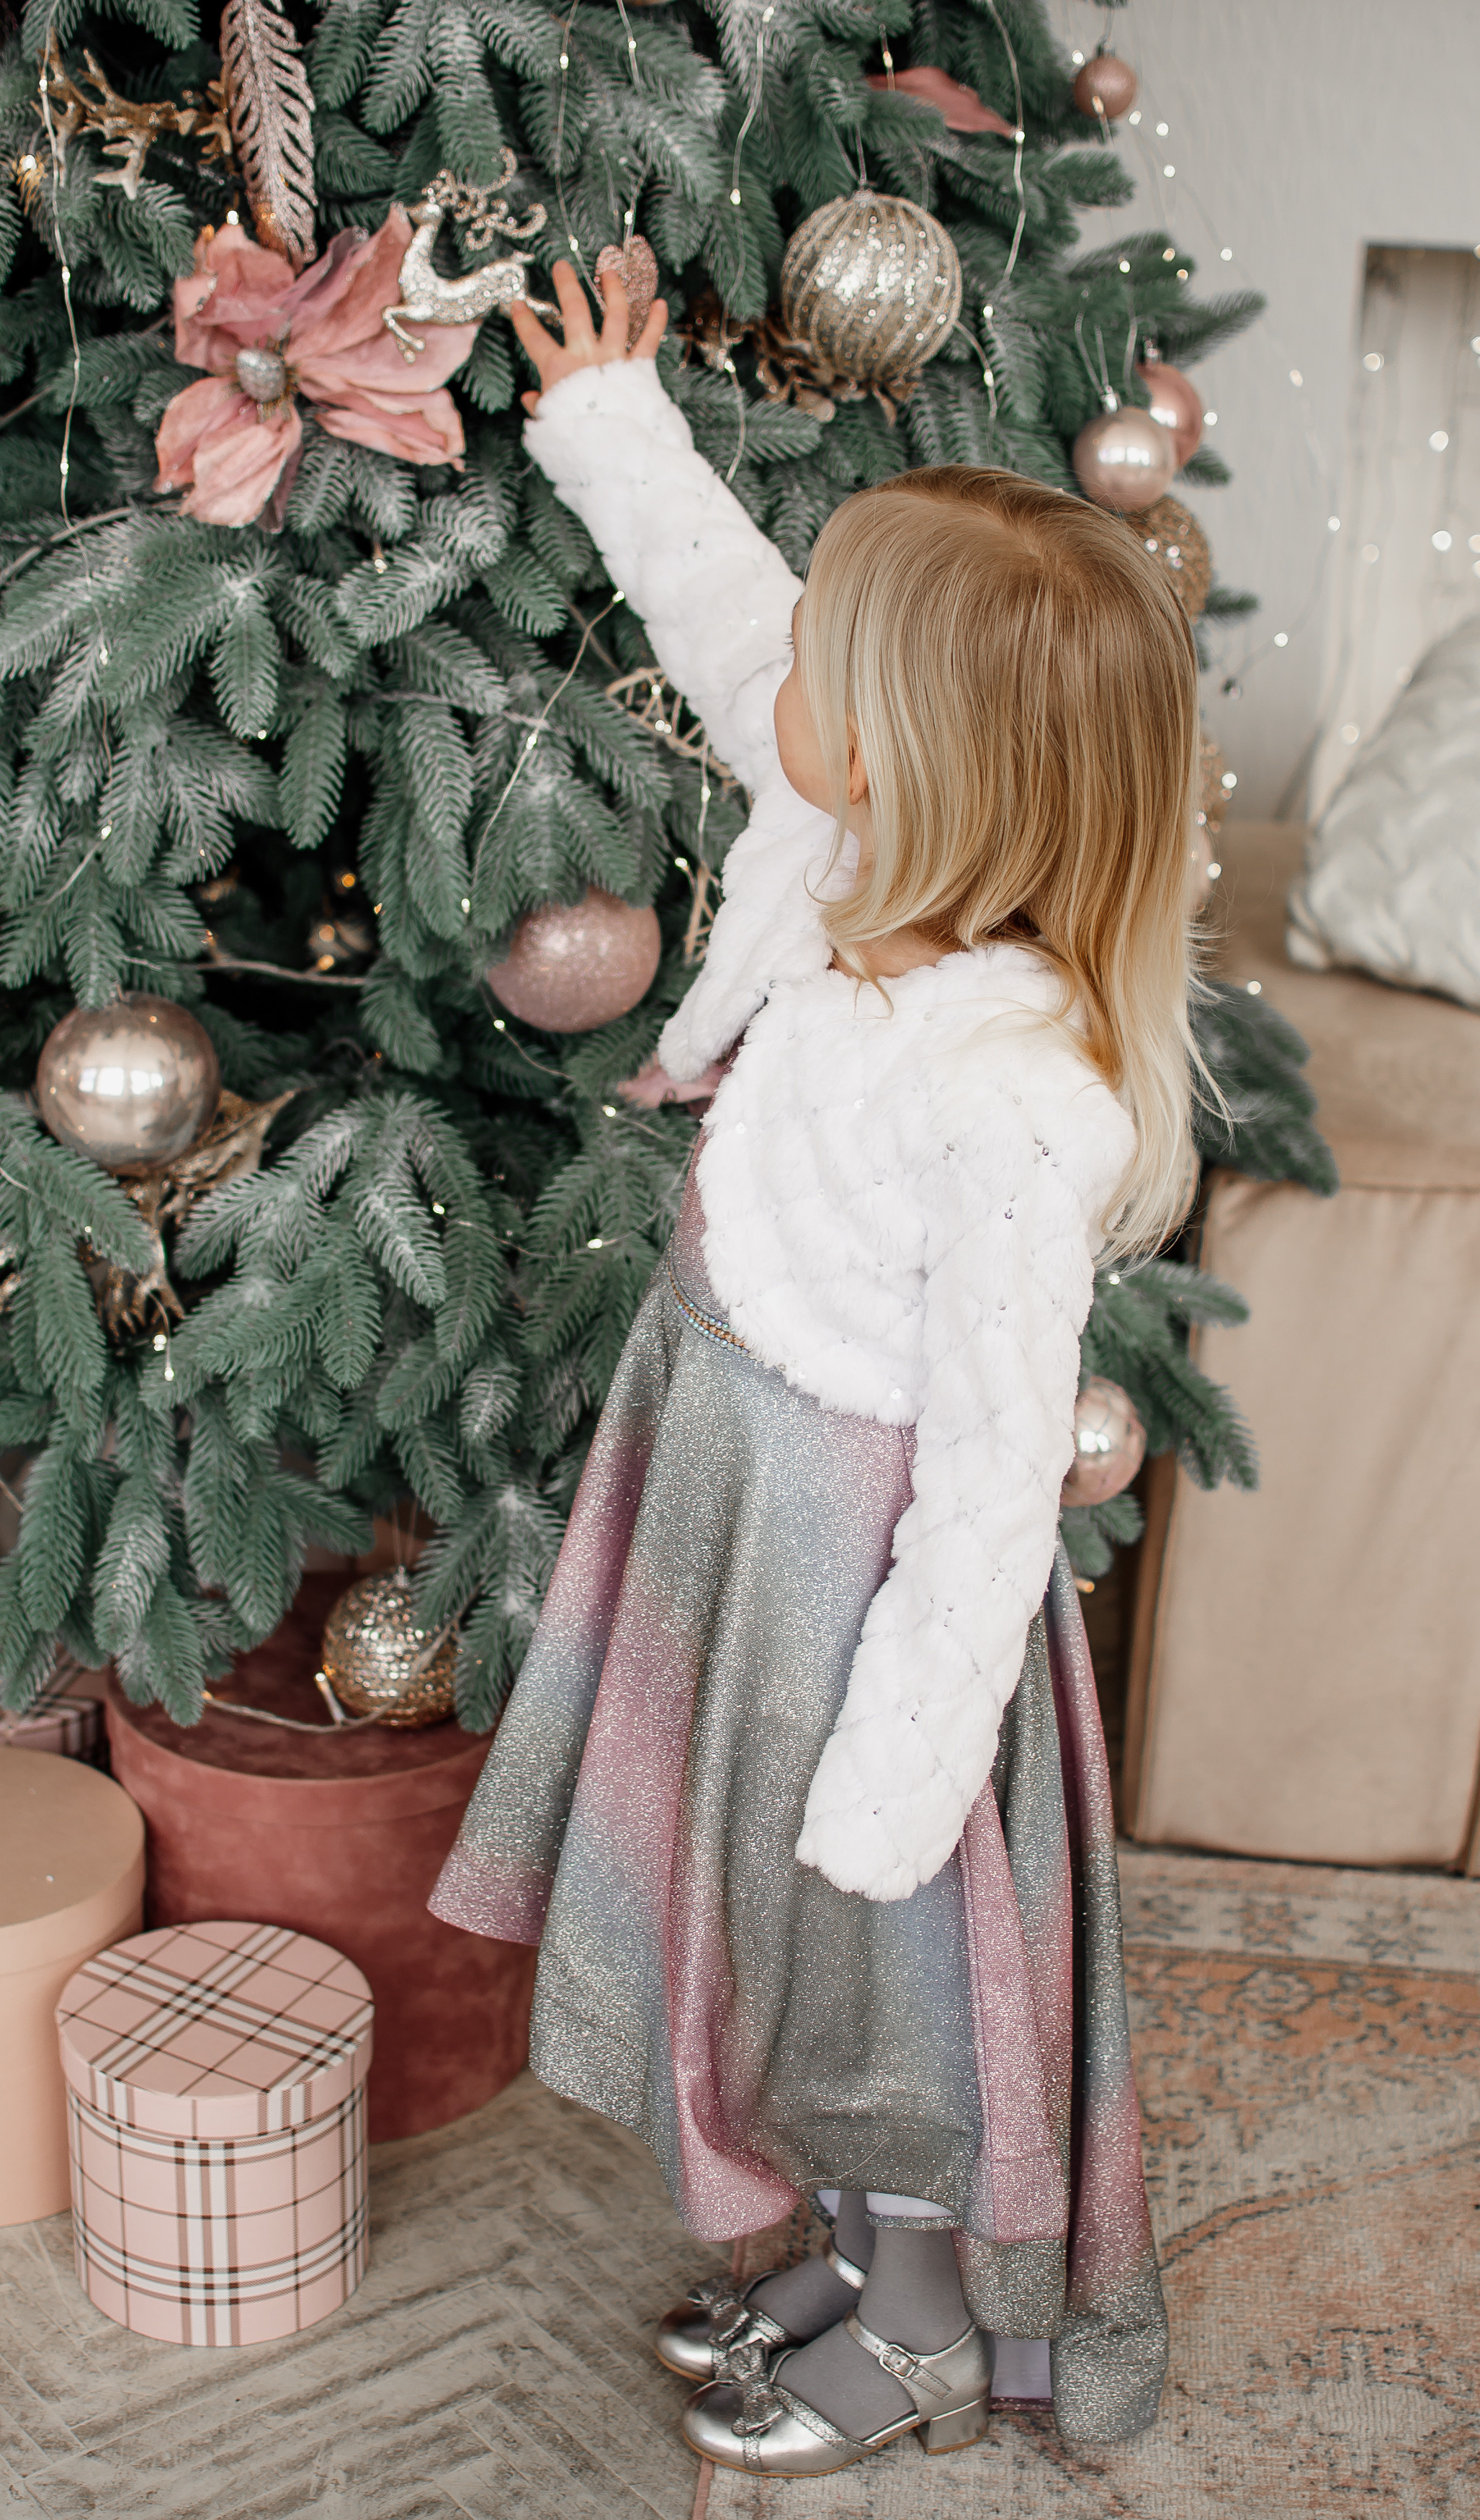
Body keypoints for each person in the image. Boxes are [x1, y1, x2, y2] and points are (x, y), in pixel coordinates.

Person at [431, 261, 1188, 2478]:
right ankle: (846, 2251)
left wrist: (894, 1777)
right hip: (736, 1502)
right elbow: (734, 616)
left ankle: (933, 2311)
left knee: (878, 1979)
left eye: (842, 683)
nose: (795, 697)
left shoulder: (1012, 1096)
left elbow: (986, 1482)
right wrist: (612, 417)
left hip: (868, 1602)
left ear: (934, 755)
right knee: (751, 1932)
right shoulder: (856, 836)